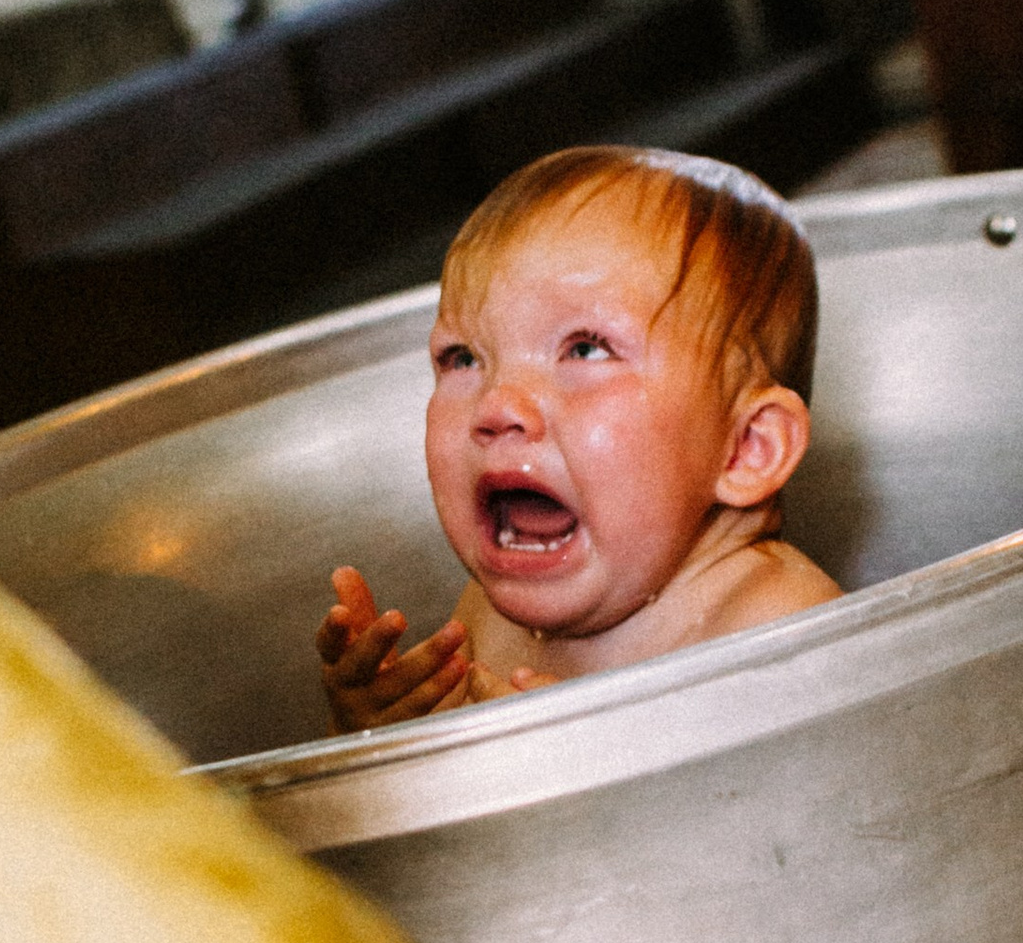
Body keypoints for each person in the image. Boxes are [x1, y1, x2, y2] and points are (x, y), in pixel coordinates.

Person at [319, 142, 840, 734]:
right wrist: (375, 728)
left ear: (748, 447)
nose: (497, 405)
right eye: (463, 358)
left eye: (586, 349)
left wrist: (598, 764)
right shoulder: (489, 618)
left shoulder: (780, 625)